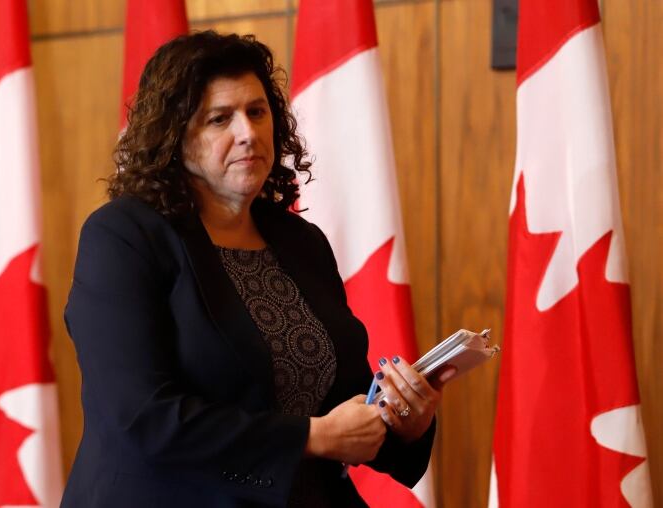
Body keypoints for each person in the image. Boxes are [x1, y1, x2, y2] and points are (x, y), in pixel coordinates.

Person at [61, 30, 454, 508]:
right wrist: (310, 438)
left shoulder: (300, 242)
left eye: (257, 111)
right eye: (219, 118)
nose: (247, 132)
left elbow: (342, 400)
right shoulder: (122, 237)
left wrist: (404, 425)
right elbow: (142, 418)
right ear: (173, 137)